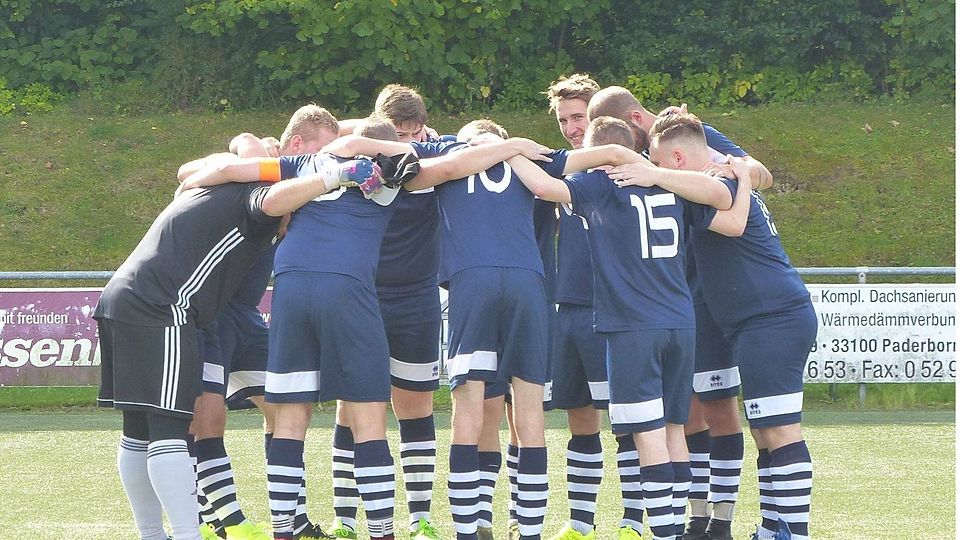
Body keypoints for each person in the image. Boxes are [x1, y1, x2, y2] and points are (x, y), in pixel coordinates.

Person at [183, 122, 558, 540]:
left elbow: (225, 171)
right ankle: (383, 532)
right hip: (349, 285)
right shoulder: (392, 172)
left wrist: (189, 188)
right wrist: (509, 145)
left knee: (289, 419)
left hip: (290, 283)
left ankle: (285, 532)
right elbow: (450, 167)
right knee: (369, 419)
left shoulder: (301, 163)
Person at [95, 117, 381, 540]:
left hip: (128, 297)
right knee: (171, 430)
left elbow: (221, 162)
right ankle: (191, 533)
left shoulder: (234, 180)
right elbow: (268, 190)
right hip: (166, 307)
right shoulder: (258, 190)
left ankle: (156, 534)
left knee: (138, 432)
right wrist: (335, 175)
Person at [504, 115, 752, 540]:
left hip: (632, 326)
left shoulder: (601, 182)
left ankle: (663, 533)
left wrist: (509, 151)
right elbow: (731, 220)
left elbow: (544, 186)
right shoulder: (673, 183)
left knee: (647, 435)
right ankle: (678, 526)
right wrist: (741, 179)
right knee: (674, 431)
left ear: (598, 155)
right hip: (681, 322)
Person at [587, 86, 775, 540]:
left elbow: (759, 174)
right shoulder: (616, 171)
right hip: (670, 301)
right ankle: (693, 516)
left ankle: (721, 519)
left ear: (635, 122)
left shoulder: (688, 134)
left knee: (718, 407)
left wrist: (734, 170)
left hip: (704, 296)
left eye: (580, 122)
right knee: (681, 415)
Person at [633, 113, 816, 540]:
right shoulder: (722, 180)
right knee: (765, 429)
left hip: (772, 318)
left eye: (658, 161)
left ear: (678, 158)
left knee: (781, 428)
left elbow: (732, 222)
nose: (655, 169)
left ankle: (794, 533)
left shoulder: (722, 183)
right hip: (758, 321)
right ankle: (773, 529)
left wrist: (653, 175)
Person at [179, 105, 338, 540]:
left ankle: (294, 520)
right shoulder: (257, 171)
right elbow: (191, 169)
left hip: (244, 315)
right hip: (208, 311)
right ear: (297, 145)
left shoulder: (306, 184)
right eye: (322, 149)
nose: (329, 159)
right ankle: (221, 522)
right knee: (206, 418)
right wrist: (249, 143)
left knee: (287, 409)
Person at [326, 85, 444, 540]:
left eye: (414, 133)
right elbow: (329, 137)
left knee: (415, 406)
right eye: (398, 134)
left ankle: (420, 518)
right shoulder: (352, 157)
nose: (405, 144)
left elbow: (475, 144)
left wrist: (420, 144)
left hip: (417, 298)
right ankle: (345, 519)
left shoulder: (436, 155)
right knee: (352, 404)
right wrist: (371, 136)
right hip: (363, 295)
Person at [541, 74, 642, 540]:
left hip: (613, 309)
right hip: (570, 306)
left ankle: (633, 521)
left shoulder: (630, 167)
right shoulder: (563, 169)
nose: (571, 128)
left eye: (579, 117)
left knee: (627, 422)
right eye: (563, 120)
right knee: (579, 418)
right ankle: (581, 523)